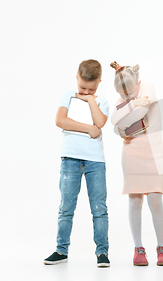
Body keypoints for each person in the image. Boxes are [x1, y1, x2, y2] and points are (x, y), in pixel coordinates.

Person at [44, 59, 110, 267]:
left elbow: (100, 123)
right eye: (82, 87)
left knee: (99, 208)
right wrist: (88, 129)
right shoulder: (68, 96)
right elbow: (60, 121)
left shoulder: (102, 101)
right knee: (66, 207)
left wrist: (91, 101)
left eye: (92, 89)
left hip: (95, 162)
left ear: (100, 82)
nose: (86, 91)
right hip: (70, 159)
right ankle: (61, 250)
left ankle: (102, 253)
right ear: (76, 79)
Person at [109, 61, 163, 266]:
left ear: (139, 82)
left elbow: (141, 111)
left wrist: (123, 122)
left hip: (153, 152)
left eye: (130, 92)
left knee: (155, 200)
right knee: (135, 201)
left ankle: (162, 247)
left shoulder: (148, 87)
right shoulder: (126, 98)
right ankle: (139, 249)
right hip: (131, 153)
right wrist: (132, 105)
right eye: (123, 95)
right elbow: (114, 121)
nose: (126, 97)